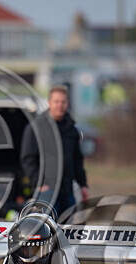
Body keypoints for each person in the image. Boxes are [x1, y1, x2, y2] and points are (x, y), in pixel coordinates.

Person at [20, 85, 89, 218]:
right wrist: (38, 183)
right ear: (49, 103)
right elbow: (27, 159)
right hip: (47, 191)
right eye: (56, 101)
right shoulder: (36, 127)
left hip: (67, 190)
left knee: (70, 228)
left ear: (67, 104)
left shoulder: (71, 129)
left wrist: (83, 184)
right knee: (47, 227)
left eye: (63, 102)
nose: (60, 105)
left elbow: (77, 160)